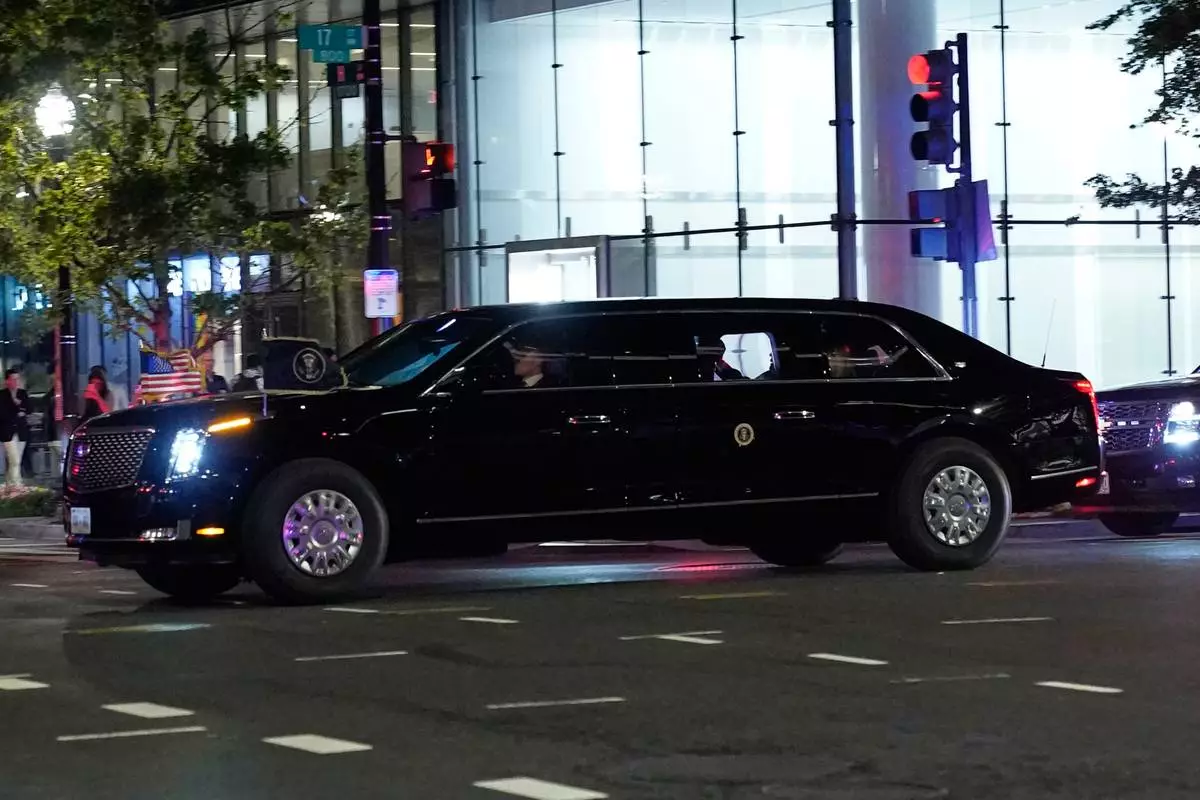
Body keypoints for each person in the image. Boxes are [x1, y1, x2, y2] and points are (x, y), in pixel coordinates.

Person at [0, 368, 31, 488]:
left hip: (21, 431)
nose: (16, 381)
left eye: (18, 379)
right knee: (15, 460)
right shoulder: (2, 395)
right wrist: (16, 408)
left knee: (15, 461)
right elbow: (3, 413)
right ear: (7, 381)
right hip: (8, 432)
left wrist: (20, 406)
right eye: (13, 379)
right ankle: (17, 485)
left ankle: (9, 484)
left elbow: (29, 408)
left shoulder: (22, 393)